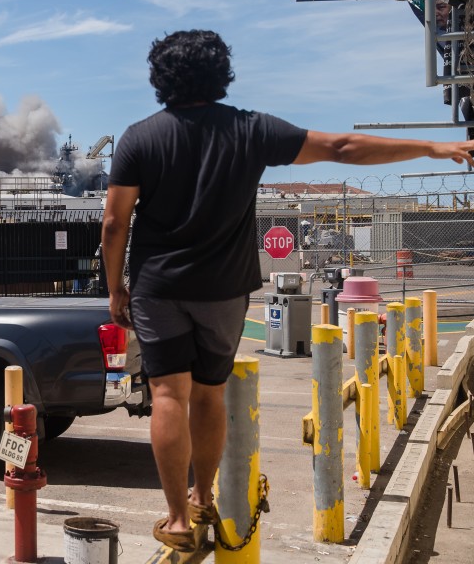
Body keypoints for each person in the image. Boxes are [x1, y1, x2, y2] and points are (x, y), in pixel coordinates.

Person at [100, 29, 474, 553]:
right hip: (226, 291)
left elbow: (115, 223)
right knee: (209, 394)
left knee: (167, 394)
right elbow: (342, 147)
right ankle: (204, 495)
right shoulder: (250, 130)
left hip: (158, 288)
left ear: (158, 78)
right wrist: (435, 146)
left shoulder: (139, 137)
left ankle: (178, 520)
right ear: (221, 74)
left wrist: (115, 287)